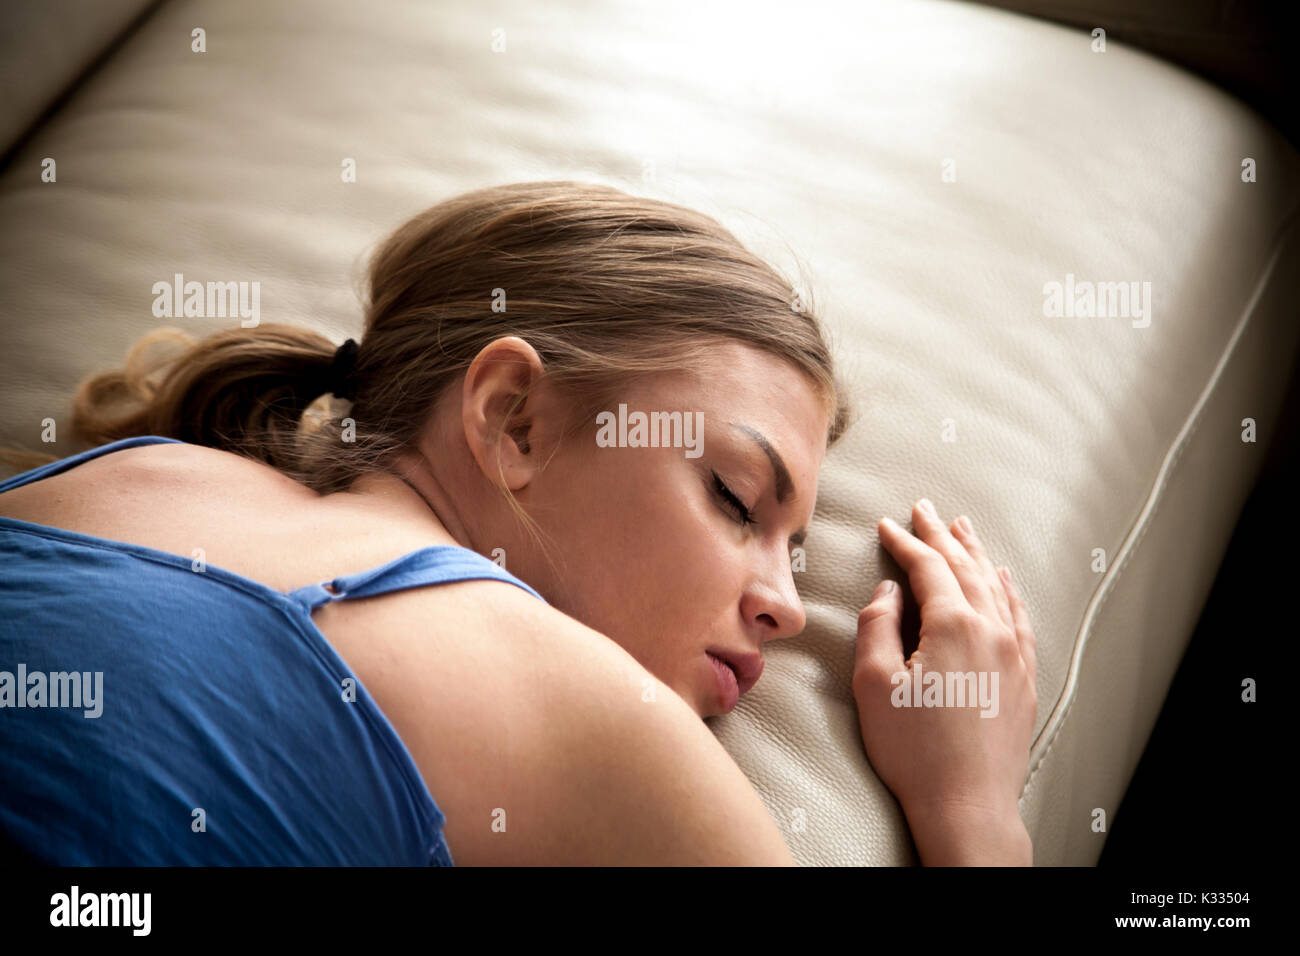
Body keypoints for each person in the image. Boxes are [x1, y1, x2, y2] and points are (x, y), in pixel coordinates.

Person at [0, 181, 1037, 865]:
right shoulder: (600, 720)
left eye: (796, 551)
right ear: (513, 420)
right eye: (733, 497)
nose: (779, 602)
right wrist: (975, 807)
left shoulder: (131, 472)